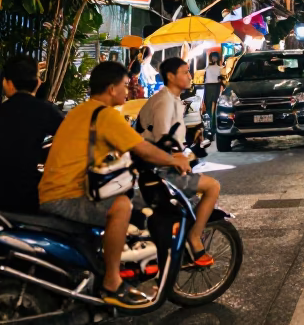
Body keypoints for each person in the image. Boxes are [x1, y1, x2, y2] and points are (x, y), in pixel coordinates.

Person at [39, 61, 193, 307]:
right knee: (121, 205)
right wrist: (175, 160)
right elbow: (143, 150)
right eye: (124, 86)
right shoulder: (106, 114)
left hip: (56, 190)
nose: (128, 90)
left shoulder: (82, 110)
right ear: (111, 89)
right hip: (66, 196)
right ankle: (112, 281)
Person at [138, 57, 221, 265]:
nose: (190, 75)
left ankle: (181, 237)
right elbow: (161, 141)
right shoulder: (164, 101)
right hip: (156, 171)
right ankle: (194, 238)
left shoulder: (172, 99)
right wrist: (181, 158)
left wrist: (190, 149)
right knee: (212, 187)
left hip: (159, 165)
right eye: (185, 72)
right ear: (171, 76)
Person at [0, 56, 65, 213]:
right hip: (27, 201)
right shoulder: (44, 110)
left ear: (8, 83)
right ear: (37, 82)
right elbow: (71, 136)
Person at [203, 52, 223, 120]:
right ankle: (209, 119)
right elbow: (205, 77)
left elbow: (220, 78)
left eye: (215, 57)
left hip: (216, 85)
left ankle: (214, 119)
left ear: (218, 58)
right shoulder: (207, 67)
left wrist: (220, 80)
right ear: (211, 58)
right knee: (208, 103)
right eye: (213, 57)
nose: (214, 58)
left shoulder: (219, 68)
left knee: (215, 102)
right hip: (208, 85)